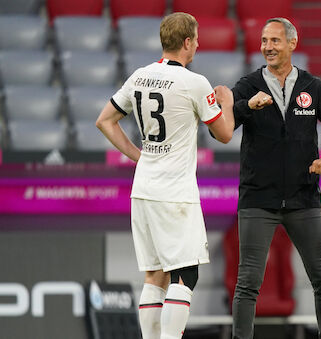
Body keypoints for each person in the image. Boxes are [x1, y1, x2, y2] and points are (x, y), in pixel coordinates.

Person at [96, 12, 235, 339]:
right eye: (196, 39)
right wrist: (227, 102)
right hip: (174, 194)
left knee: (154, 275)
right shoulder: (194, 82)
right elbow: (225, 133)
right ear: (187, 42)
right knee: (185, 275)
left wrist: (139, 156)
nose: (198, 44)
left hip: (143, 189)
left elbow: (104, 121)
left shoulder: (140, 76)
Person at [230, 17, 321, 339]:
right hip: (258, 199)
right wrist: (246, 106)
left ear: (291, 44)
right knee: (247, 284)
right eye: (264, 41)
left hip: (303, 198)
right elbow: (223, 124)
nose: (268, 47)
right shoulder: (248, 84)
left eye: (274, 41)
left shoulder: (314, 87)